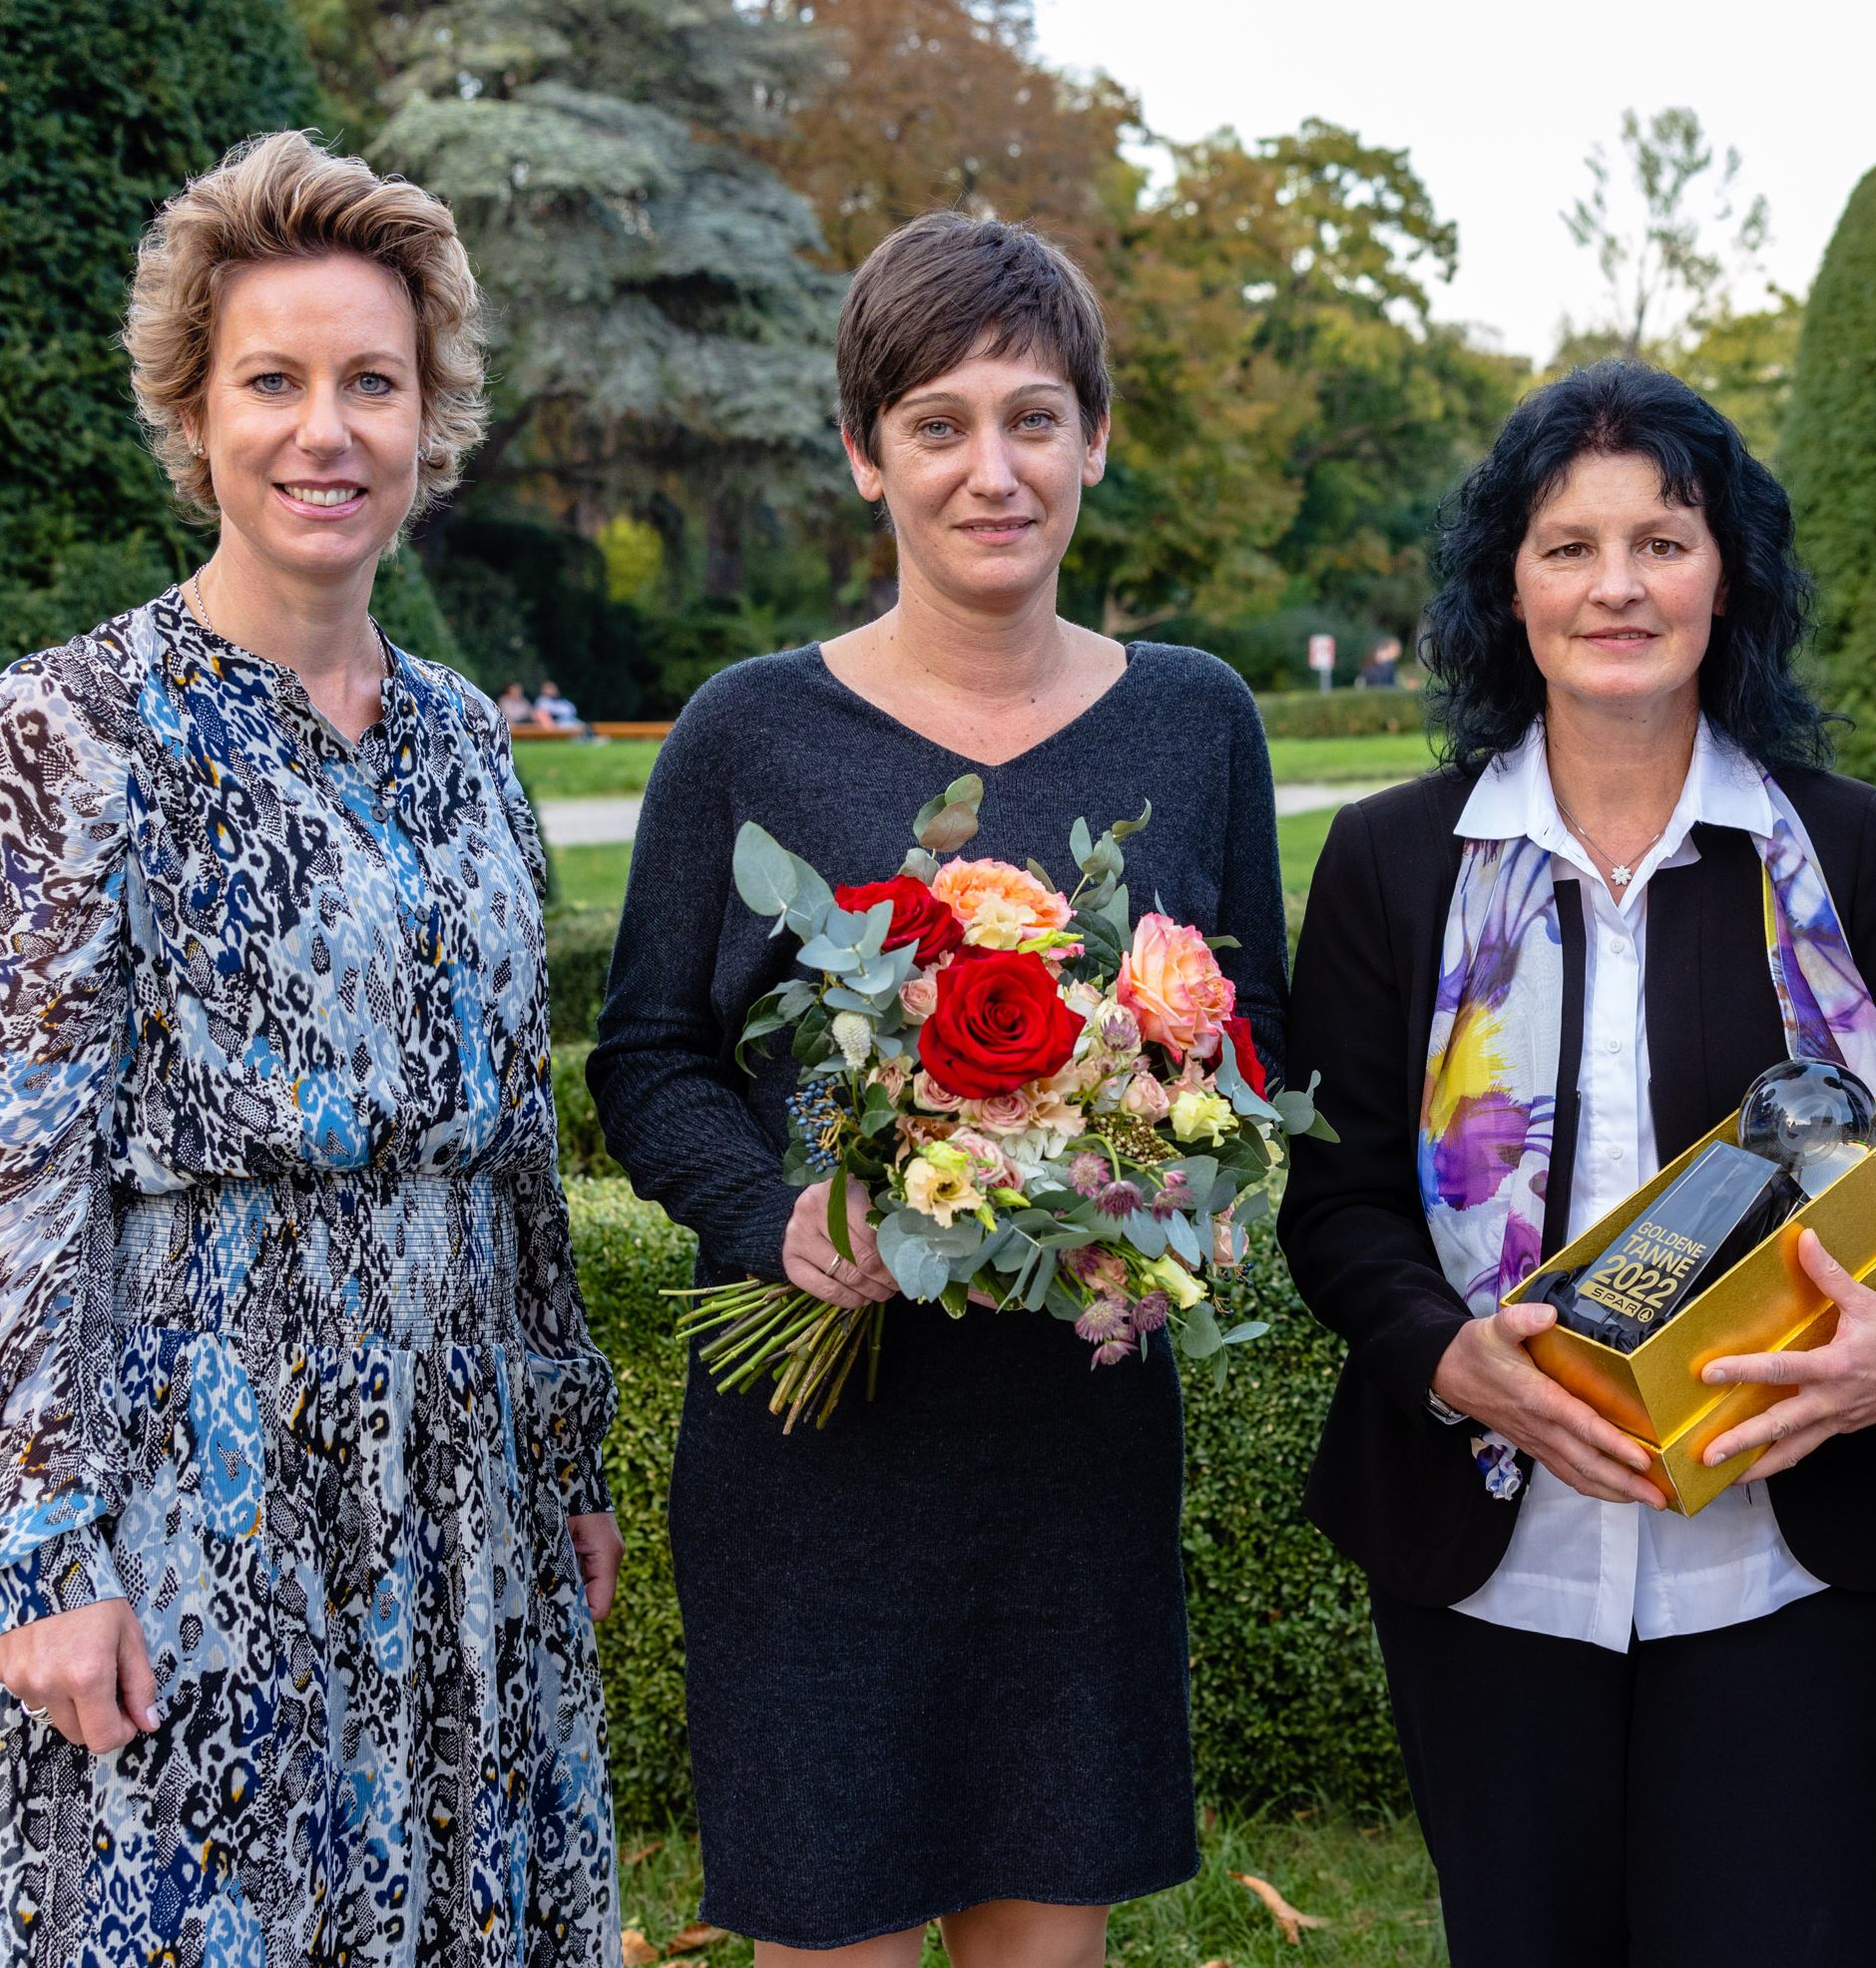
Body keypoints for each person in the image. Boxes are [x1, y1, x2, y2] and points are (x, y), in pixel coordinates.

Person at [587, 213, 1287, 1968]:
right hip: (818, 1456)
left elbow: (1249, 1039)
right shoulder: (749, 729)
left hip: (1070, 1444)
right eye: (939, 425)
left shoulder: (1194, 721)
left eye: (1035, 417)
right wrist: (776, 1211)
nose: (995, 469)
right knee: (834, 1925)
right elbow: (648, 1052)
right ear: (862, 455)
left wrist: (1170, 1231)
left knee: (1046, 1934)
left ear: (1096, 440)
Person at [1277, 361, 1876, 1967]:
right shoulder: (1394, 863)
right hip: (1491, 1561)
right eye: (1567, 545)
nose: (1617, 584)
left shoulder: (1849, 850)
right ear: (1506, 586)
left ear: (1724, 572)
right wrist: (1442, 1357)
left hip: (1791, 1561)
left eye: (1662, 539)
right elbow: (1329, 1202)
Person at [0, 132, 622, 1967]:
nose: (323, 429)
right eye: (272, 380)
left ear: (433, 420)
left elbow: (513, 1148)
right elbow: (12, 1166)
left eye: (372, 382)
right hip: (200, 1479)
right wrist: (41, 1553)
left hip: (460, 1474)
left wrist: (564, 1447)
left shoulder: (461, 739)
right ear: (193, 412)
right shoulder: (70, 724)